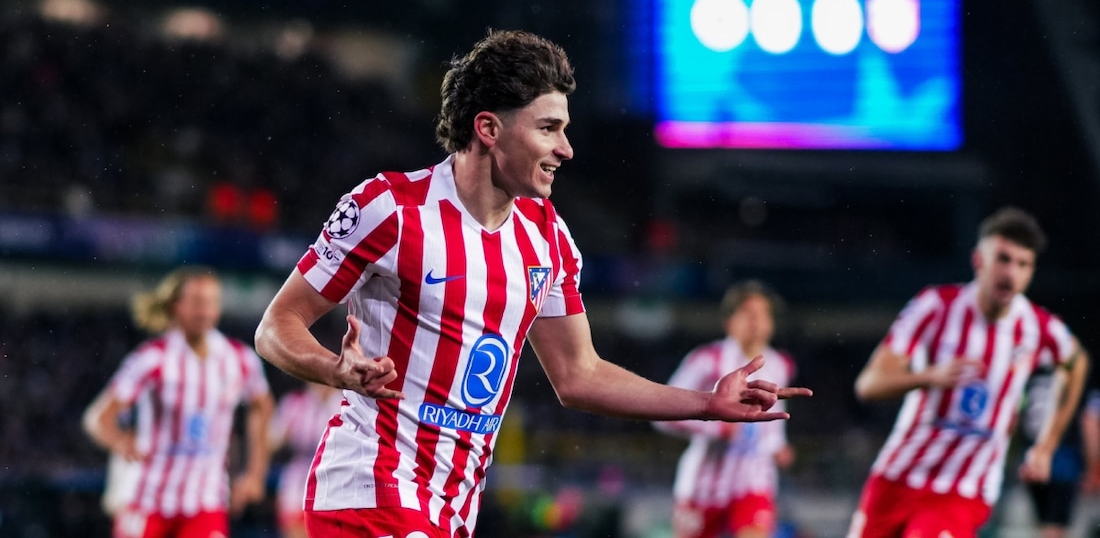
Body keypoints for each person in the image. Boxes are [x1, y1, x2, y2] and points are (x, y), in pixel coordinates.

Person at [253, 29, 813, 538]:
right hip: (369, 486)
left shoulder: (548, 238)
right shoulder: (390, 209)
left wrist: (706, 403)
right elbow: (277, 325)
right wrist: (334, 369)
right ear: (488, 129)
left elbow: (580, 374)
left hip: (451, 507)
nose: (565, 149)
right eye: (548, 128)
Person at [846, 206, 1091, 538]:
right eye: (1003, 259)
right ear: (979, 260)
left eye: (1023, 264)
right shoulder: (935, 306)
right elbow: (868, 385)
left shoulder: (1037, 327)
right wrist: (927, 377)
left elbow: (1076, 362)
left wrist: (1046, 446)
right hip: (896, 477)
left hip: (963, 491)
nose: (1011, 273)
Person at [83, 266, 276, 538]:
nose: (205, 311)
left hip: (205, 501)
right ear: (177, 306)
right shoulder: (152, 358)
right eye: (197, 302)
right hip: (148, 497)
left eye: (211, 302)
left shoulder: (239, 359)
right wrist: (119, 441)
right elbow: (98, 418)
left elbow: (262, 406)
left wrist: (255, 474)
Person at [654, 280, 797, 538]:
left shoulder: (780, 365)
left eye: (763, 314)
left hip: (754, 483)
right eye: (749, 314)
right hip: (703, 485)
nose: (757, 321)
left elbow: (773, 422)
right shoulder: (706, 360)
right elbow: (662, 413)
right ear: (729, 322)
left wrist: (778, 446)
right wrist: (717, 428)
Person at [1019, 366, 1100, 538]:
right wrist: (1092, 466)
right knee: (1055, 528)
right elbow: (1089, 420)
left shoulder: (1035, 370)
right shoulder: (1079, 374)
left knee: (1044, 525)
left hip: (1032, 456)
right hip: (1063, 459)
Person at [267, 382, 345, 538]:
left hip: (335, 473)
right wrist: (282, 436)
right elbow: (270, 442)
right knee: (295, 526)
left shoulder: (345, 403)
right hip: (299, 473)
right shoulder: (294, 402)